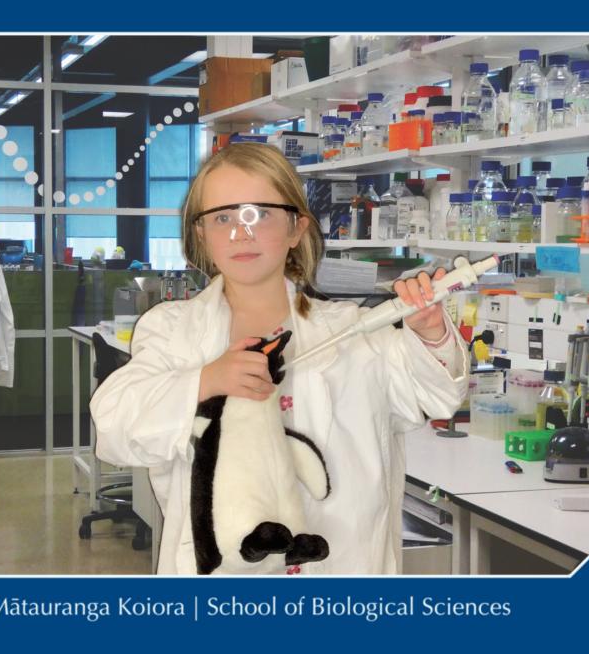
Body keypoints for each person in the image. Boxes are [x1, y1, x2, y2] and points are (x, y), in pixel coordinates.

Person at [91, 143, 470, 574]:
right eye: (222, 218)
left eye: (260, 214)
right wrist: (205, 380)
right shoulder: (173, 332)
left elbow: (436, 397)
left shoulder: (356, 331)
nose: (241, 232)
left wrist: (429, 331)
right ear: (201, 235)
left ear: (296, 228)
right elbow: (115, 427)